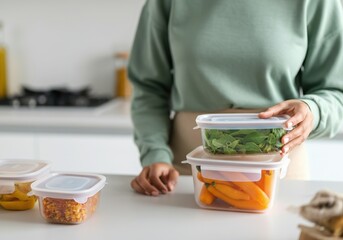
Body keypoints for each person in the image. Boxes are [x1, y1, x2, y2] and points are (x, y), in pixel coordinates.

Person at [127, 0, 343, 196]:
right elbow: (148, 88)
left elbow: (336, 92)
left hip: (279, 171)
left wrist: (313, 110)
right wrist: (155, 153)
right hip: (186, 172)